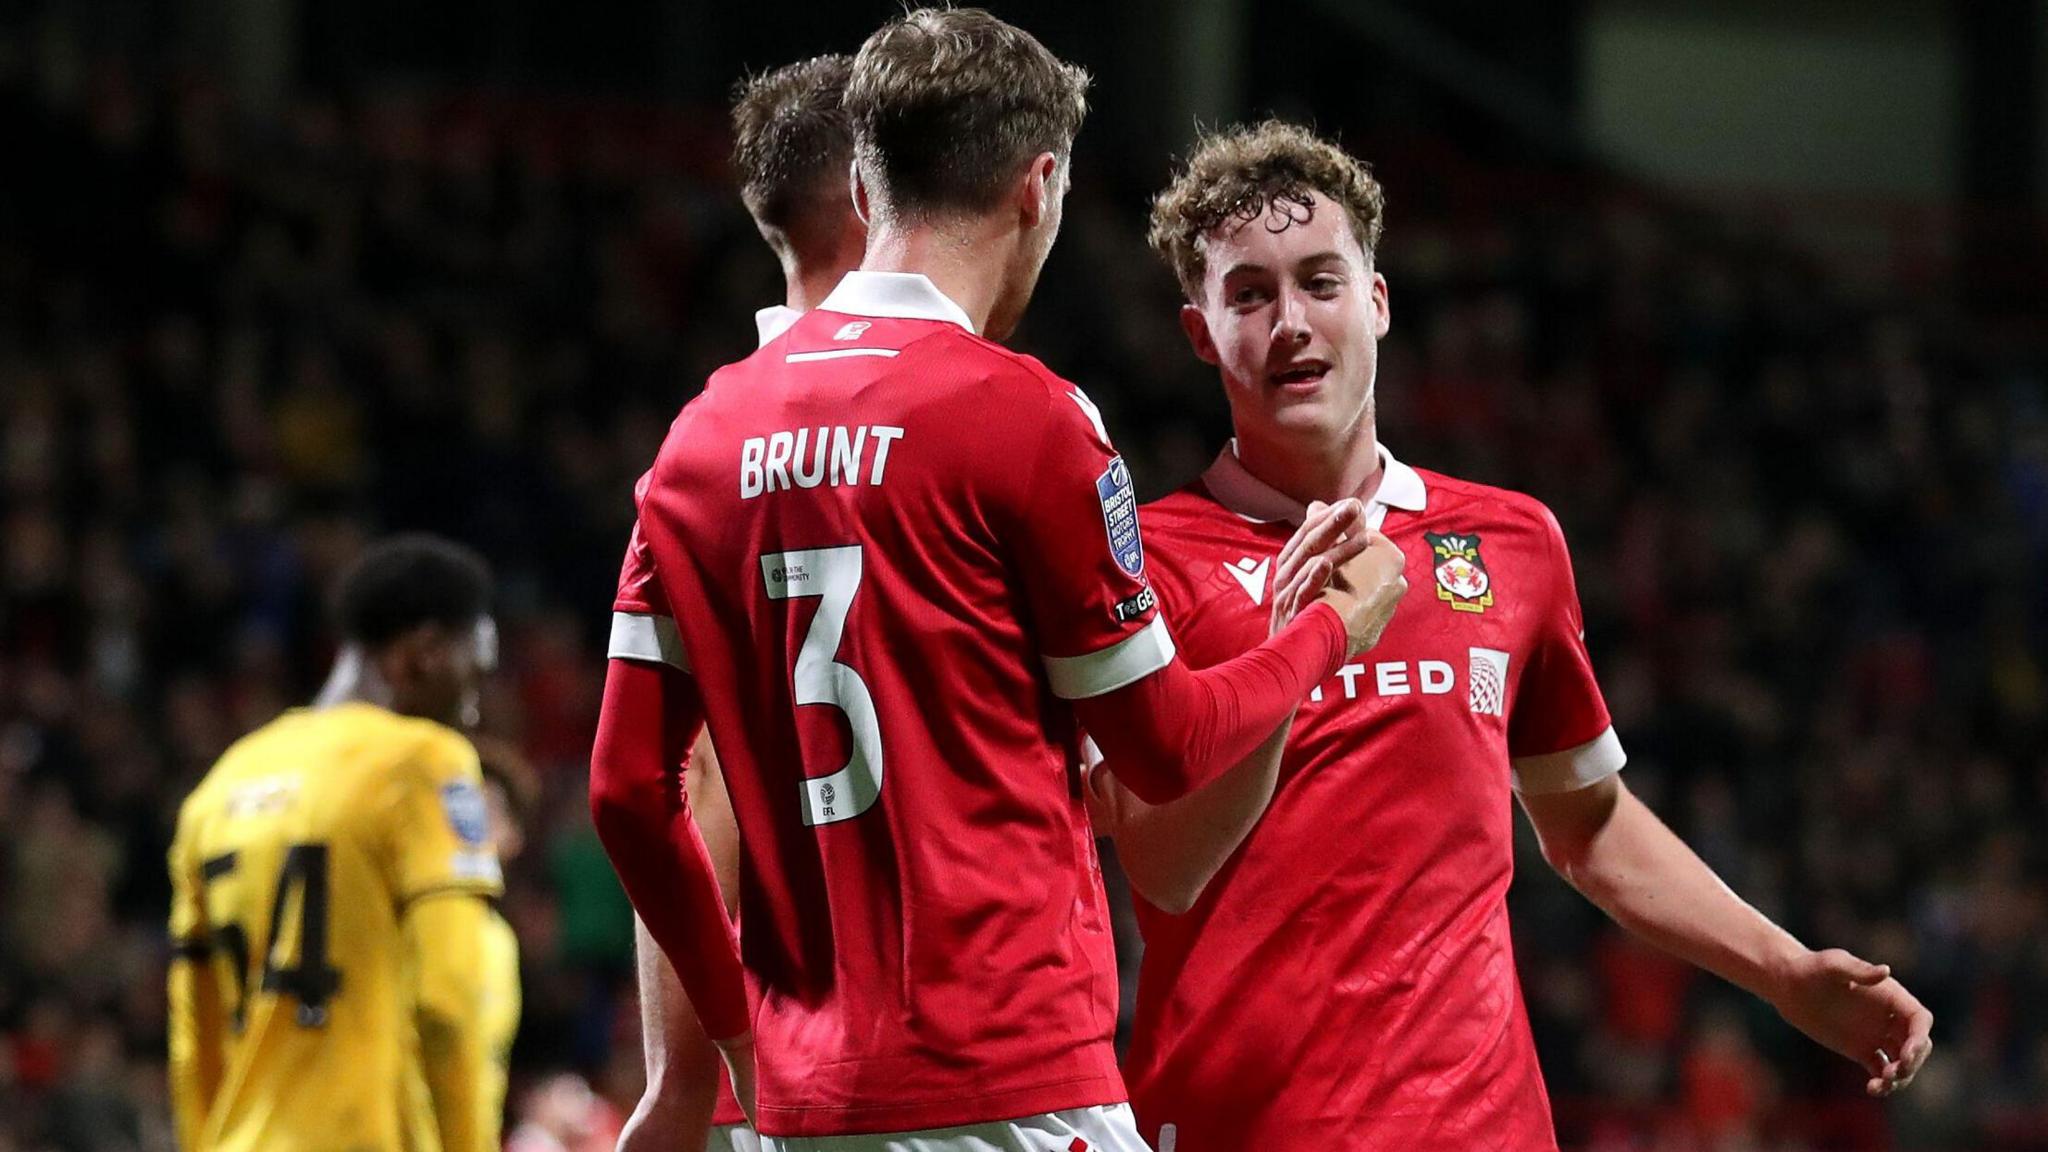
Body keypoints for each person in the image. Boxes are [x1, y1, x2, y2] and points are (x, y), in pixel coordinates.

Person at [587, 9, 1405, 1151]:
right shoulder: (1021, 416)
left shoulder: (700, 437)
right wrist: (1325, 629)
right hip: (1010, 1088)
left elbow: (630, 791)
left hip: (805, 1105)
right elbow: (1162, 747)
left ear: (866, 195)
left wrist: (728, 1038)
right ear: (1039, 185)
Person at [1086, 120, 1936, 1152]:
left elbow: (1585, 826)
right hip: (1237, 1127)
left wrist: (1782, 972)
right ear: (1198, 332)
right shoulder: (1142, 561)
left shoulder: (1511, 540)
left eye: (1319, 282)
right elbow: (1162, 864)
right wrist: (1302, 643)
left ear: (1377, 302)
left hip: (1480, 1129)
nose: (1289, 323)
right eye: (1249, 295)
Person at [619, 53, 867, 1152]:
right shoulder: (963, 419)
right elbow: (690, 780)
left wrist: (687, 1073)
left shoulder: (705, 446)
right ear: (878, 195)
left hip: (763, 1077)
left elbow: (678, 782)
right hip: (928, 1081)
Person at [168, 535, 508, 1152]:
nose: (475, 710)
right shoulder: (423, 762)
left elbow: (194, 1034)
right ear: (424, 654)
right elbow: (448, 1003)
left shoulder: (217, 790)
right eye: (474, 674)